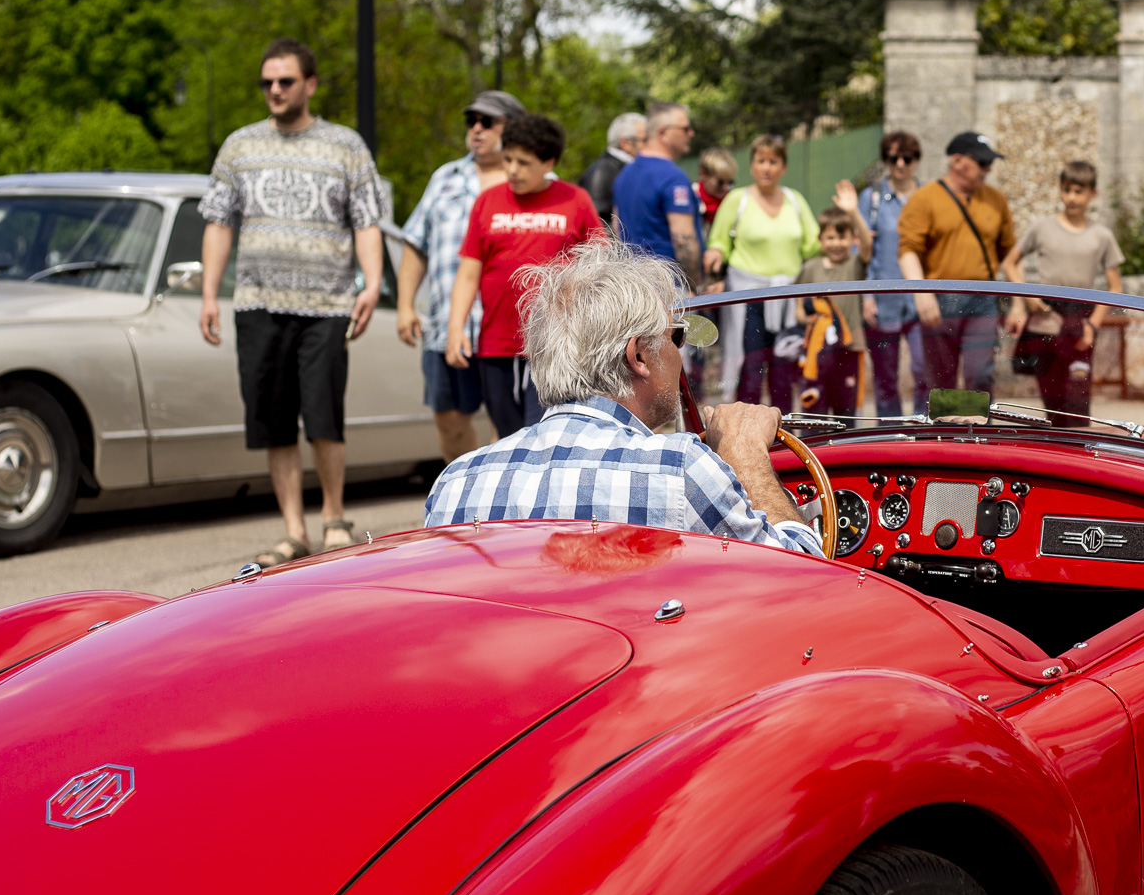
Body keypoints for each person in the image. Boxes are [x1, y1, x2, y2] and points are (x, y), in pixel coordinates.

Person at [422, 240, 820, 556]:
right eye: (675, 337)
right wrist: (747, 452)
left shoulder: (457, 480)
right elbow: (804, 576)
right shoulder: (679, 470)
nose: (680, 354)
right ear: (639, 356)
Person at [198, 37, 382, 568]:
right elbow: (218, 222)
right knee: (274, 419)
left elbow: (366, 222)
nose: (274, 90)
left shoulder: (345, 146)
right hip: (257, 302)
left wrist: (371, 282)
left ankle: (334, 518)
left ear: (310, 84)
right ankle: (293, 529)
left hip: (326, 306)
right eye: (267, 83)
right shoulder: (239, 146)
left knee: (323, 415)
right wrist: (210, 293)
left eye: (285, 81)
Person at [444, 113, 604, 435]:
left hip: (554, 343)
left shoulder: (576, 200)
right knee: (506, 432)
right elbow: (468, 272)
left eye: (524, 162)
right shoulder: (487, 202)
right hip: (495, 342)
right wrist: (455, 327)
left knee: (541, 431)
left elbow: (600, 266)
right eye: (508, 159)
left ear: (549, 163)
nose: (512, 169)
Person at [396, 90, 524, 464]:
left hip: (516, 332)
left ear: (513, 128)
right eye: (472, 121)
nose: (477, 129)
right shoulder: (445, 177)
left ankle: (510, 512)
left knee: (513, 426)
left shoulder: (537, 181)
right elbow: (416, 245)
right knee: (450, 420)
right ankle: (468, 504)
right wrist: (405, 306)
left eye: (488, 121)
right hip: (447, 325)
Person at [1001, 160, 1124, 426]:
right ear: (1060, 190)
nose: (1071, 197)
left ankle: (1078, 458)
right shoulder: (1041, 227)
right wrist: (1027, 298)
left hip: (1081, 323)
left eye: (1079, 191)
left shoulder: (1102, 236)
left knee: (1079, 404)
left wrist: (1093, 323)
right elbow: (1010, 263)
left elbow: (1115, 288)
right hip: (1046, 323)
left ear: (1093, 193)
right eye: (1067, 190)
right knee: (1053, 403)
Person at [703, 134, 821, 407]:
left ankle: (785, 440)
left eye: (773, 161)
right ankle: (744, 435)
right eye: (761, 161)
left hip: (787, 300)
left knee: (783, 372)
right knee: (750, 370)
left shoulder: (795, 200)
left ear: (783, 167)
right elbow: (718, 242)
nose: (766, 167)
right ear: (752, 165)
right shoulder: (736, 199)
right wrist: (715, 258)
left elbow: (813, 247)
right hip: (748, 300)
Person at [898, 132, 1016, 396]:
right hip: (940, 298)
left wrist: (1020, 301)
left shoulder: (996, 200)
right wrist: (921, 292)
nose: (988, 169)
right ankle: (946, 435)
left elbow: (1010, 254)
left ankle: (980, 435)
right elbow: (908, 251)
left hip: (982, 298)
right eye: (983, 163)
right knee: (940, 382)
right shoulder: (924, 198)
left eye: (990, 163)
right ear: (958, 161)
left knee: (980, 374)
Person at [859, 130, 928, 418]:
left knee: (924, 368)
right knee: (885, 376)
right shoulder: (872, 198)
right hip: (883, 298)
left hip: (920, 298)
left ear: (916, 160)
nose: (900, 164)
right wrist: (865, 295)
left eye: (907, 158)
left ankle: (925, 430)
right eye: (892, 158)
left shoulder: (928, 197)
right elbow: (862, 252)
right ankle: (890, 436)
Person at [612, 101, 703, 289]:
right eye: (685, 128)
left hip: (635, 289)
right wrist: (696, 286)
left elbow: (616, 229)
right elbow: (683, 239)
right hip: (672, 289)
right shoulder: (672, 177)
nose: (691, 133)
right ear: (663, 134)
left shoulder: (624, 175)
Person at [796, 206, 869, 417]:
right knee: (814, 411)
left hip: (850, 347)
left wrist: (854, 211)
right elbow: (799, 309)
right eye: (830, 237)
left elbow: (868, 245)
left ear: (852, 238)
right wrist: (808, 319)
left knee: (846, 411)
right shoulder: (811, 268)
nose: (836, 243)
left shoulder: (854, 264)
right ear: (820, 239)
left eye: (841, 237)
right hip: (818, 349)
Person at [576, 113, 645, 227]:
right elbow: (597, 224)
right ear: (625, 143)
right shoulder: (601, 171)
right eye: (644, 140)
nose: (650, 144)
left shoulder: (624, 168)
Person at [695, 147, 737, 228]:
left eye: (730, 182)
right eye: (720, 182)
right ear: (703, 174)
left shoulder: (732, 198)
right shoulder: (691, 198)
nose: (726, 187)